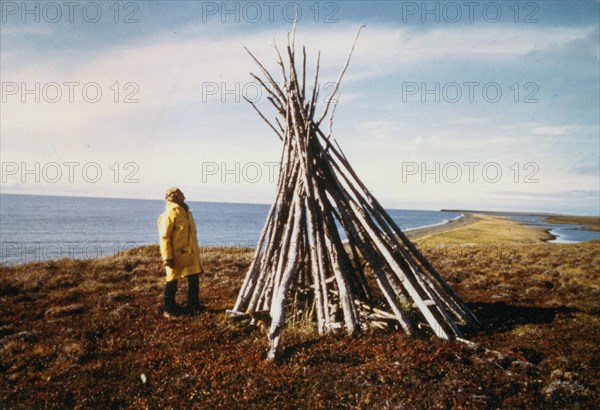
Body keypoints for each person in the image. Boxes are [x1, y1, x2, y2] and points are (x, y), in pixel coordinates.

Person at [157, 187, 204, 318]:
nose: (184, 195)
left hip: (189, 252)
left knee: (193, 278)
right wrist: (167, 256)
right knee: (172, 280)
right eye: (180, 193)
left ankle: (193, 305)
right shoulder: (170, 213)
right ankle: (168, 308)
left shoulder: (186, 211)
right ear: (173, 196)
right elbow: (164, 237)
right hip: (176, 255)